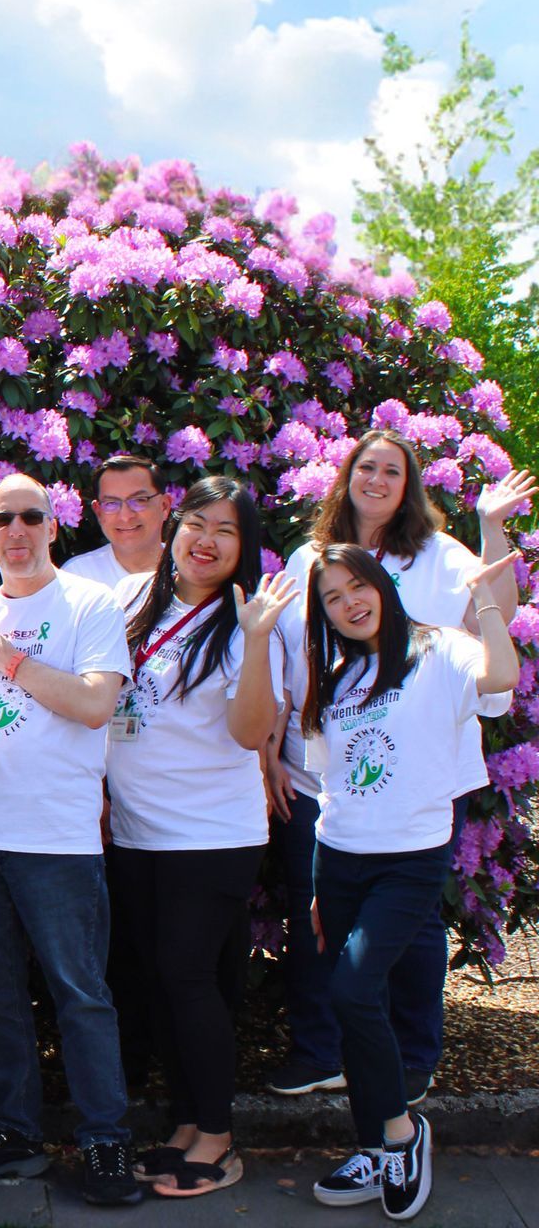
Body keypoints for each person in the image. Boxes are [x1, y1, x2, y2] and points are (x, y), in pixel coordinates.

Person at [265, 430, 534, 1100]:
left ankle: (413, 1056)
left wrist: (490, 526)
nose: (378, 480)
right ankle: (320, 1051)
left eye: (393, 470)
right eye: (367, 467)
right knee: (318, 913)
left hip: (422, 777)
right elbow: (289, 657)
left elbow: (492, 605)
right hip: (326, 771)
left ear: (408, 484)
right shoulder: (308, 559)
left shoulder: (439, 555)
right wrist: (272, 744)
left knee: (411, 925)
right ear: (345, 477)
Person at [0, 474, 141, 1206]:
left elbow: (93, 705)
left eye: (30, 517)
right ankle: (17, 1131)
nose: (16, 530)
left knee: (80, 996)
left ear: (54, 527)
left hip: (57, 841)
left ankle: (106, 1143)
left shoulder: (90, 604)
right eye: (1, 519)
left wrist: (6, 659)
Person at [299, 545, 516, 1221]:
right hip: (337, 861)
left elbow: (501, 677)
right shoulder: (333, 676)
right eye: (332, 598)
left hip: (409, 860)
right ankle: (372, 1142)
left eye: (356, 587)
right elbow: (329, 788)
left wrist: (484, 599)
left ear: (381, 585)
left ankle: (400, 1134)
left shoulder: (441, 649)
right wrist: (315, 883)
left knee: (354, 988)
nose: (348, 604)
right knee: (352, 1007)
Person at [105, 475, 296, 1197]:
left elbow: (251, 733)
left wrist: (253, 644)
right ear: (173, 528)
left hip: (211, 834)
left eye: (227, 530)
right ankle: (186, 1123)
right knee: (160, 979)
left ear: (242, 548)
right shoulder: (136, 605)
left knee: (189, 976)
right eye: (196, 524)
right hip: (137, 829)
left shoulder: (252, 618)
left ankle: (217, 1136)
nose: (207, 540)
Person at [63, 454, 171, 592]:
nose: (125, 516)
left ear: (164, 506)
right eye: (111, 503)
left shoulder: (190, 572)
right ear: (98, 512)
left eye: (139, 500)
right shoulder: (77, 577)